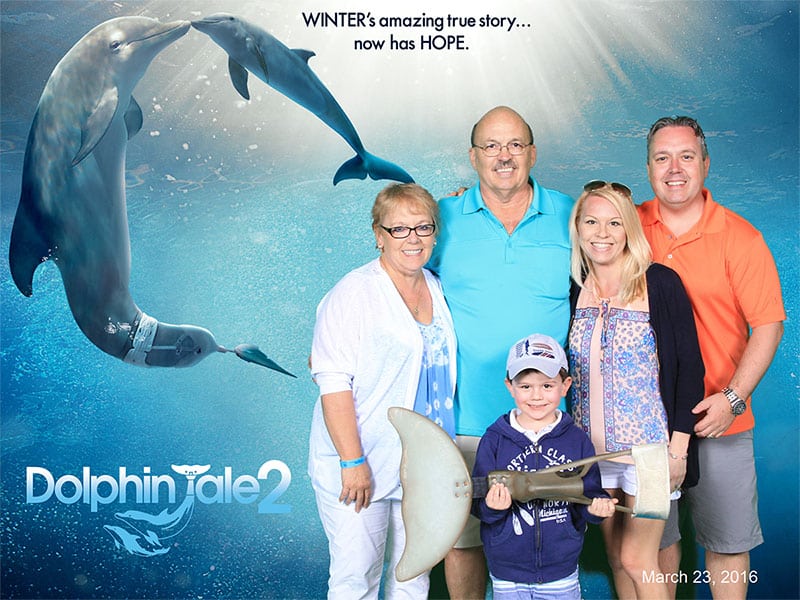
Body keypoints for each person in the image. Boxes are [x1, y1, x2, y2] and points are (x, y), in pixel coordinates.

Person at [427, 106, 574, 599]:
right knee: (463, 544)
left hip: (550, 424)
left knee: (545, 552)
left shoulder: (571, 216)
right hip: (465, 423)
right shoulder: (441, 218)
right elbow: (395, 282)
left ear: (532, 154)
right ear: (473, 157)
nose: (504, 156)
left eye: (515, 145)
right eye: (491, 146)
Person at [640, 116, 785, 599]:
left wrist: (733, 399)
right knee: (656, 543)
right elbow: (575, 227)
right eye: (662, 157)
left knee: (726, 543)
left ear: (705, 163)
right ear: (648, 168)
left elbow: (768, 324)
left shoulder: (741, 238)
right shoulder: (628, 226)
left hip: (717, 419)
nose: (674, 168)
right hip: (648, 423)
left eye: (686, 156)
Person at [308, 183, 458, 599]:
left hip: (422, 462)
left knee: (413, 577)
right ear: (378, 235)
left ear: (435, 234)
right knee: (357, 578)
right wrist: (352, 460)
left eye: (423, 228)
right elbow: (333, 383)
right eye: (399, 229)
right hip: (364, 460)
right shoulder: (353, 293)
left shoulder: (436, 286)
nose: (413, 238)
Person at [567, 180, 705, 599]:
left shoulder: (659, 283)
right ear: (578, 227)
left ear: (629, 228)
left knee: (638, 559)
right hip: (592, 454)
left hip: (648, 452)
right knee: (614, 561)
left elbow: (689, 370)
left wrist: (678, 448)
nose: (602, 233)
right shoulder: (574, 288)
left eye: (613, 223)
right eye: (591, 221)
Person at [472, 333, 618, 600]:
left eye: (547, 386)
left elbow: (590, 494)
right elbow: (477, 504)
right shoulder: (494, 439)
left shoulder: (576, 440)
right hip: (506, 572)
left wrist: (598, 509)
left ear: (566, 385)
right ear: (510, 386)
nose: (536, 396)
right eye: (525, 387)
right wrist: (492, 508)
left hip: (560, 570)